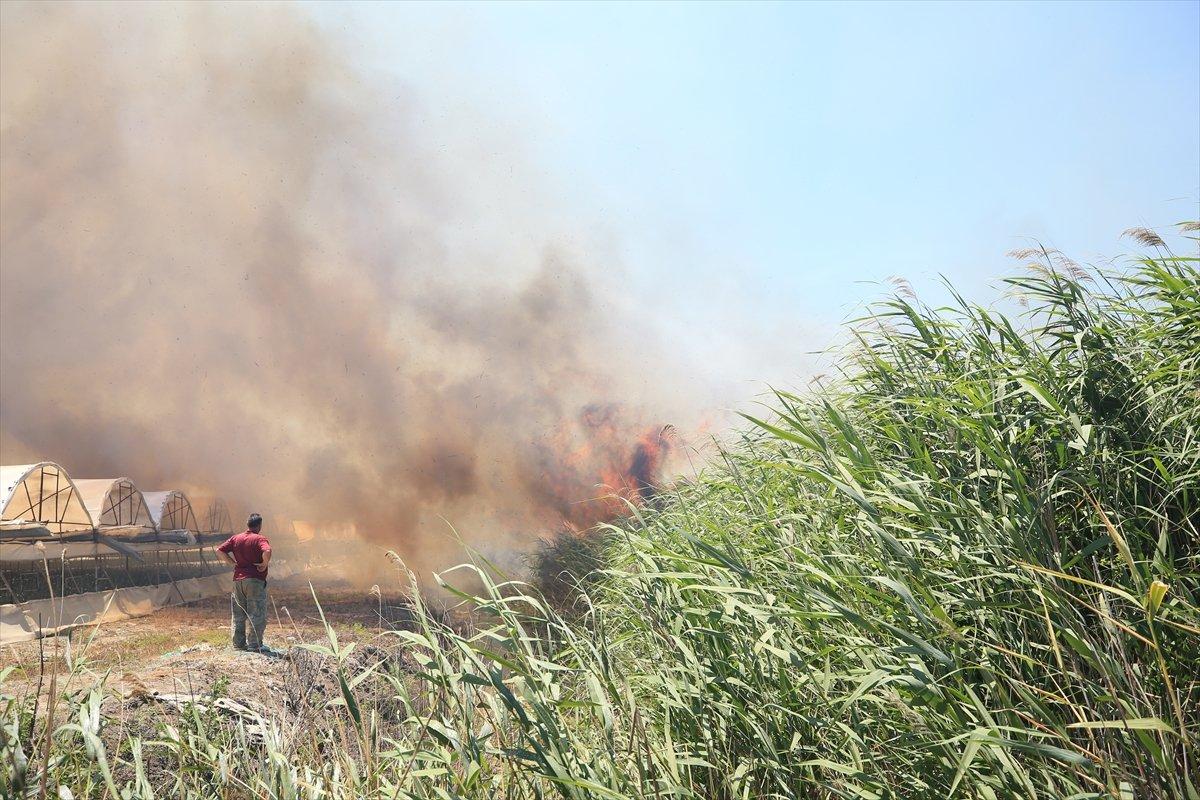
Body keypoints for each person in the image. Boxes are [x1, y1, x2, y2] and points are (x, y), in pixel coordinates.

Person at [216, 513, 274, 653]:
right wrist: (264, 564)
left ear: (248, 524)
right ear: (259, 525)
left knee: (238, 614)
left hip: (238, 581)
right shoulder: (259, 538)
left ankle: (239, 645)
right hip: (254, 580)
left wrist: (232, 563)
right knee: (256, 613)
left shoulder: (236, 538)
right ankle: (255, 645)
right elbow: (267, 550)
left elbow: (219, 550)